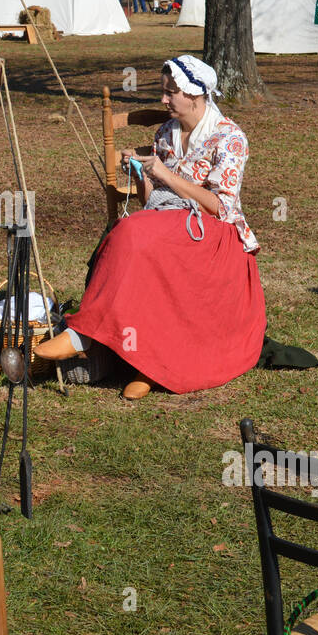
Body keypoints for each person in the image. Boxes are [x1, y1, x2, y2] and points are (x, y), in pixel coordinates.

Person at [35, 55, 264, 399]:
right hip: (172, 224)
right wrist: (143, 174)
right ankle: (139, 359)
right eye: (164, 91)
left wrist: (165, 174)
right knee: (135, 236)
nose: (164, 100)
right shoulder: (165, 133)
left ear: (195, 95)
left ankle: (119, 353)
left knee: (135, 233)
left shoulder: (229, 138)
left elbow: (220, 206)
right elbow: (152, 201)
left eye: (171, 93)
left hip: (216, 236)